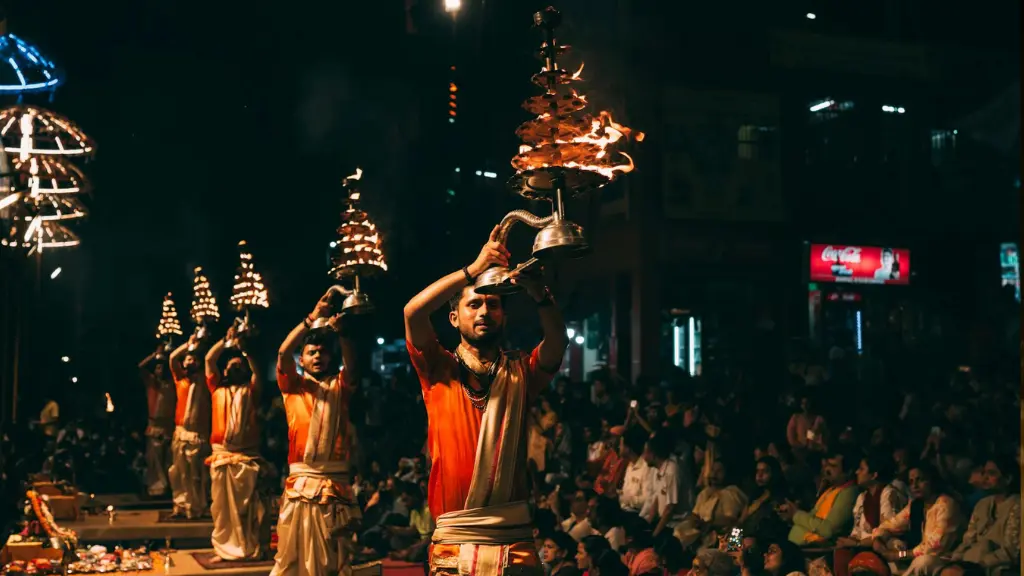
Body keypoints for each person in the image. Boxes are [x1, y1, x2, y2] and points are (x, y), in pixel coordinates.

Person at [403, 227, 568, 575]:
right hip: (454, 538)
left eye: (493, 304)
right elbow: (413, 313)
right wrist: (473, 270)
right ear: (454, 317)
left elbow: (556, 343)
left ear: (503, 316)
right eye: (473, 303)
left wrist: (539, 294)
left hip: (512, 539)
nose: (483, 311)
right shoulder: (437, 368)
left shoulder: (520, 371)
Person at [269, 292, 361, 576]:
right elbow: (284, 353)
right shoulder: (292, 386)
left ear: (331, 356)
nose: (318, 356)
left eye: (323, 351)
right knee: (293, 559)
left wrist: (343, 335)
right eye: (311, 352)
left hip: (334, 483)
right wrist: (311, 319)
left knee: (335, 558)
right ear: (302, 360)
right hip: (301, 482)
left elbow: (354, 368)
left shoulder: (340, 386)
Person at [205, 326, 269, 561]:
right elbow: (209, 358)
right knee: (221, 510)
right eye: (231, 366)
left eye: (239, 366)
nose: (236, 368)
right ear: (224, 371)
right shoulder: (215, 388)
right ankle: (223, 549)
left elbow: (257, 373)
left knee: (247, 509)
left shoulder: (251, 390)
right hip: (221, 456)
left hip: (246, 457)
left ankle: (249, 547)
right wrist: (226, 340)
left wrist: (246, 353)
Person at [940, 457, 1020, 576]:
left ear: (1007, 479)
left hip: (997, 566)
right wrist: (956, 558)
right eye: (984, 473)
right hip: (972, 561)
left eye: (991, 473)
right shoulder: (982, 504)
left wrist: (979, 565)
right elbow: (968, 539)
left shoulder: (1018, 505)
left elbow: (1011, 551)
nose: (985, 478)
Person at [168, 334, 212, 519]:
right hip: (180, 433)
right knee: (178, 472)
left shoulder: (205, 380)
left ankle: (197, 507)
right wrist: (188, 345)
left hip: (197, 434)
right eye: (188, 358)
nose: (190, 361)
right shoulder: (181, 379)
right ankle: (180, 505)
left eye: (194, 358)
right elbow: (172, 358)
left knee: (196, 475)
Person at [779, 450, 858, 545]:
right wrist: (791, 516)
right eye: (827, 464)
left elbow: (828, 530)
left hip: (813, 551)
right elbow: (812, 519)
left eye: (833, 466)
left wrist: (796, 514)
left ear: (848, 472)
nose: (827, 469)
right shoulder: (831, 489)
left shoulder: (849, 493)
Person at [138, 346, 176, 497]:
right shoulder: (152, 383)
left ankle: (169, 487)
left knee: (169, 460)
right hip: (154, 425)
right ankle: (156, 488)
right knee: (154, 460)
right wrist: (155, 355)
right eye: (157, 368)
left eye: (162, 367)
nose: (159, 370)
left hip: (169, 425)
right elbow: (141, 367)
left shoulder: (171, 385)